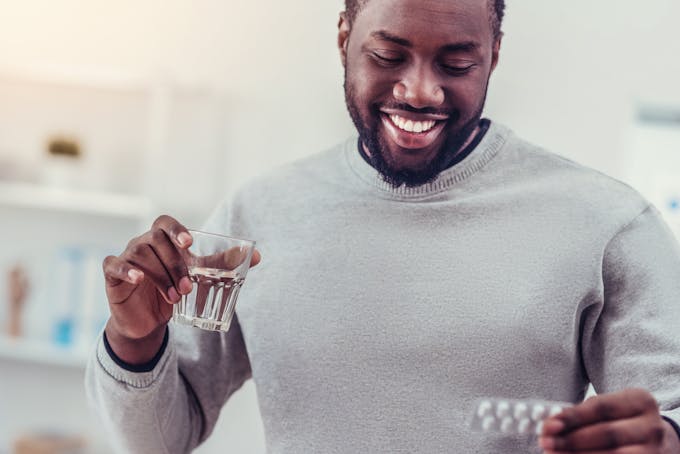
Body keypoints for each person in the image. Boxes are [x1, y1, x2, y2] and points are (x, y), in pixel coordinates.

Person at [86, 0, 680, 452]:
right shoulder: (258, 215)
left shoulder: (605, 223)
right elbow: (158, 439)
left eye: (457, 62)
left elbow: (670, 416)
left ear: (494, 52)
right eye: (388, 56)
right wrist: (135, 340)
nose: (419, 90)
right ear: (344, 36)